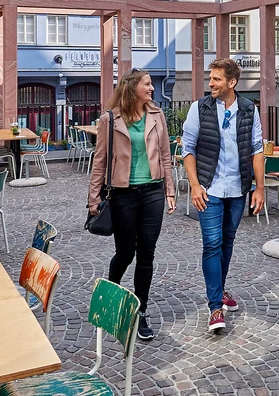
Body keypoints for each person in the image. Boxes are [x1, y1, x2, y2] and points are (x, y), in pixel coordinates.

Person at [88, 70, 175, 341]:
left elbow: (165, 155)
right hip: (123, 194)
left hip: (153, 192)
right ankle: (110, 298)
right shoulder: (109, 120)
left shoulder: (157, 115)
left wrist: (169, 191)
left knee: (146, 253)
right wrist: (94, 198)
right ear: (132, 88)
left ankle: (141, 312)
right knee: (125, 253)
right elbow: (99, 160)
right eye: (147, 84)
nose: (151, 88)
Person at [181, 58, 265, 334]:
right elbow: (188, 149)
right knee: (212, 244)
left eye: (216, 79)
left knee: (227, 241)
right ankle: (215, 306)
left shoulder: (249, 109)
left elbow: (256, 150)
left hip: (238, 188)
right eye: (210, 78)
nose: (211, 83)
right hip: (209, 188)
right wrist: (194, 185)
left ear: (232, 82)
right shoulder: (199, 108)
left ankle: (220, 288)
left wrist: (260, 188)